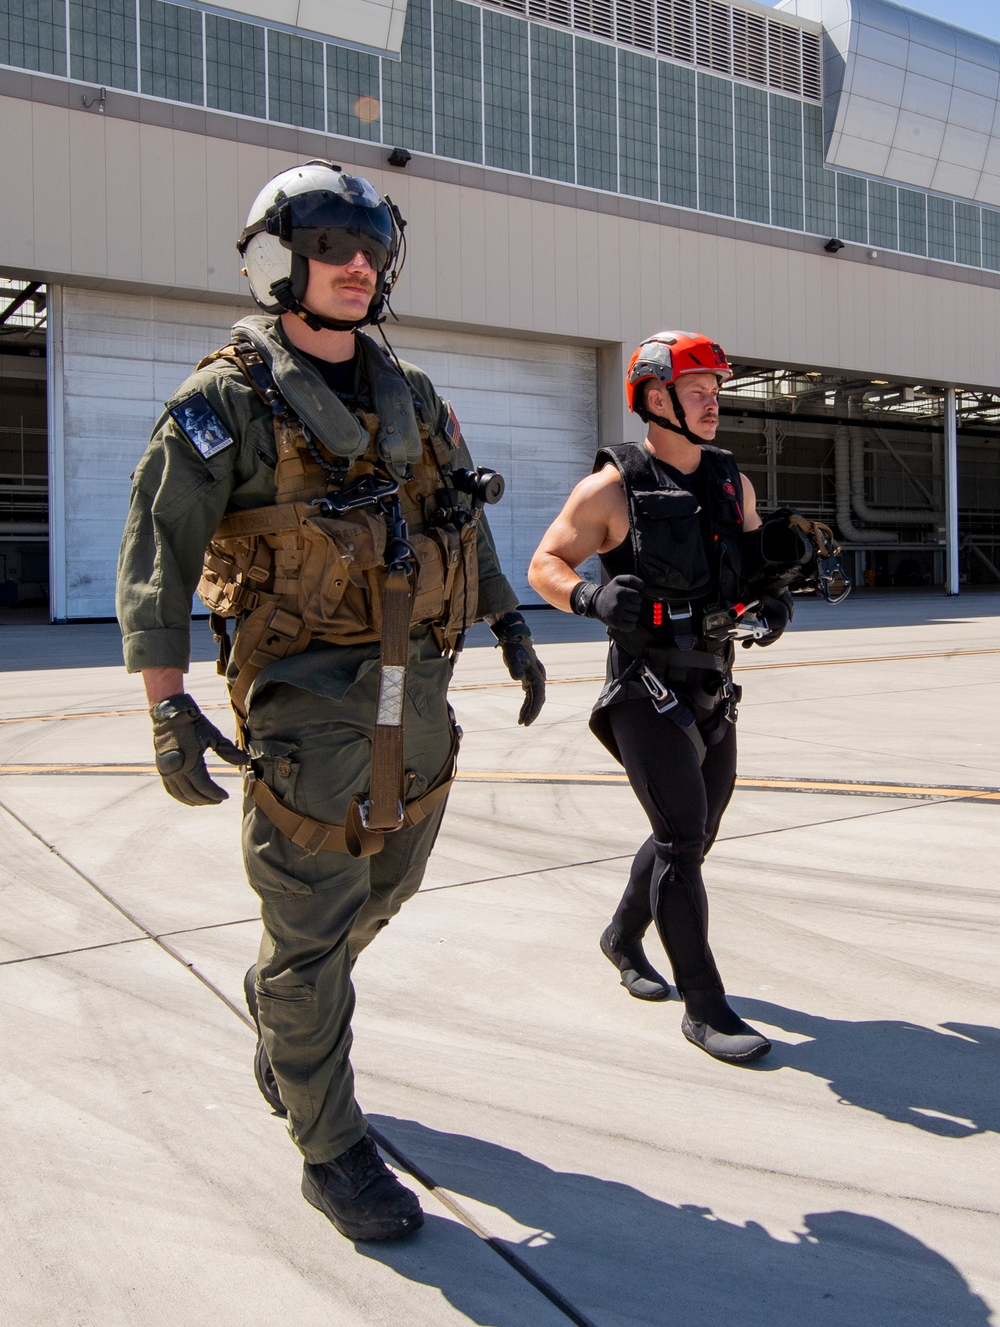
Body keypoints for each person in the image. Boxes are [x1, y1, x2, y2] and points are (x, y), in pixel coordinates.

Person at [116, 161, 546, 1241]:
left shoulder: (413, 395)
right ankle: (330, 1147)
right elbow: (156, 560)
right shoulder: (223, 404)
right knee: (309, 930)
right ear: (279, 260)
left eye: (372, 248)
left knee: (379, 897)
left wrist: (508, 621)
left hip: (423, 695)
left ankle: (288, 1018)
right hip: (309, 708)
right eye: (332, 247)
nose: (359, 266)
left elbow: (461, 514)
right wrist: (167, 707)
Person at [528, 331, 792, 1065]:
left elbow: (750, 570)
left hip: (714, 681)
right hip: (644, 690)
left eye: (716, 391)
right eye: (698, 391)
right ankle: (704, 1006)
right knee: (682, 840)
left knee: (694, 834)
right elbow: (544, 563)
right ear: (653, 397)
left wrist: (771, 603)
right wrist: (587, 594)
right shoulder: (611, 488)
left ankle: (621, 935)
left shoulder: (731, 484)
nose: (714, 404)